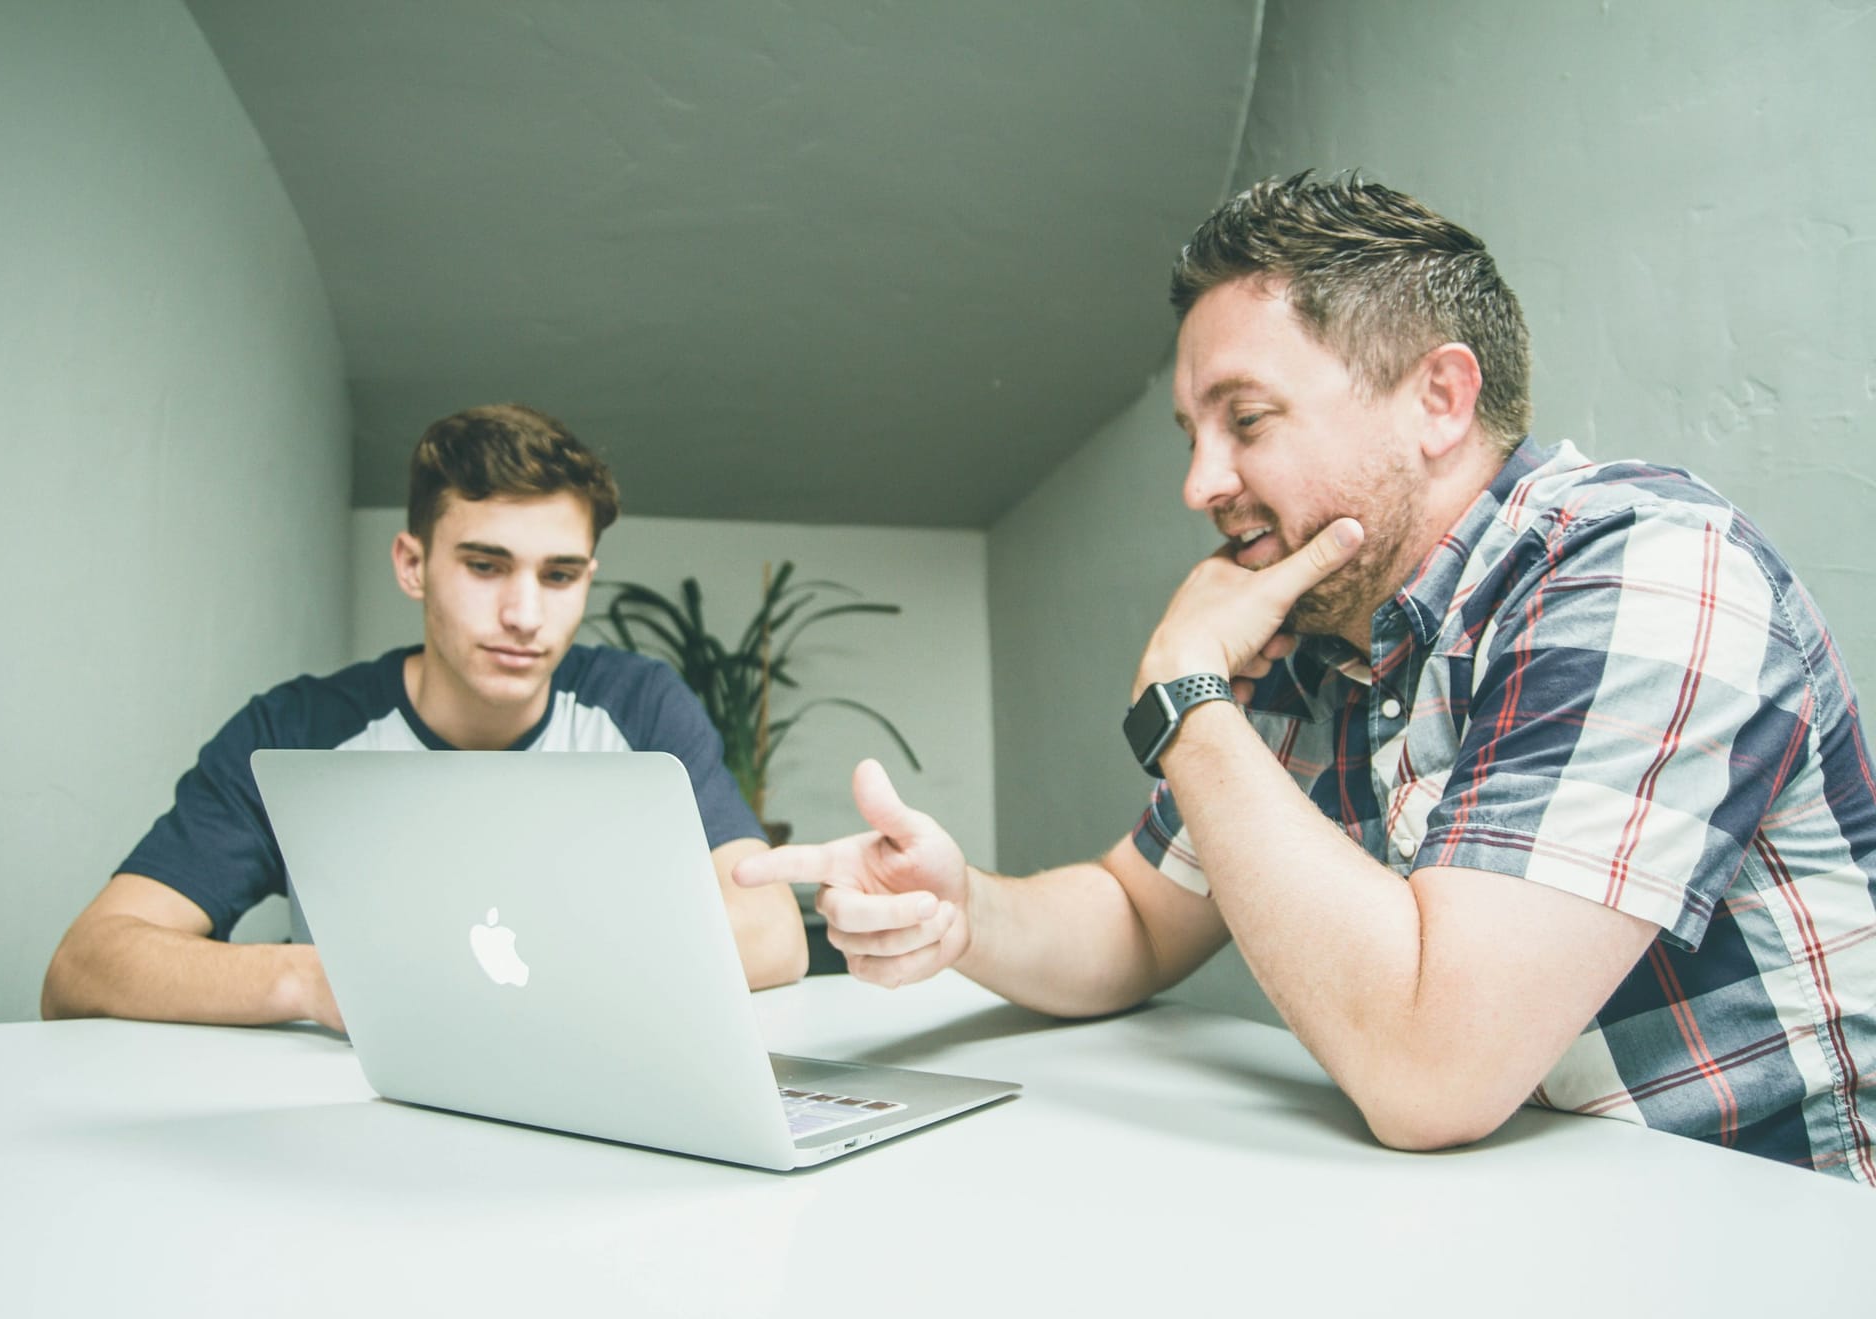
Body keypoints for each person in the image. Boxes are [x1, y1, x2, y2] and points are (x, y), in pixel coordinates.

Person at [738, 173, 1876, 1182]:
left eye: (1245, 420)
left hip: (1771, 1233)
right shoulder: (1323, 630)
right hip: (1515, 1214)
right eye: (1192, 432)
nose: (1199, 482)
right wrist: (963, 909)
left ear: (1438, 398)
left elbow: (1432, 1072)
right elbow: (1138, 914)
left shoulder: (1643, 568)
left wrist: (1186, 693)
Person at [44, 403, 806, 1029]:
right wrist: (316, 980)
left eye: (560, 574)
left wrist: (503, 969)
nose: (524, 614)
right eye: (485, 565)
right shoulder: (297, 730)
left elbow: (773, 934)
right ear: (413, 564)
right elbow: (85, 964)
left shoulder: (638, 706)